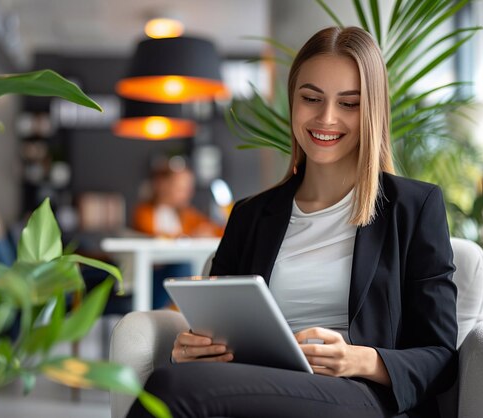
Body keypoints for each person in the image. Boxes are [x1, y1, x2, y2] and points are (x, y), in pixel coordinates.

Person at [127, 26, 457, 418]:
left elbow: (441, 355)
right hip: (258, 383)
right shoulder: (251, 215)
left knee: (170, 389)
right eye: (311, 98)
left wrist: (358, 360)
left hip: (358, 395)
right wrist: (193, 348)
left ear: (372, 110)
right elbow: (215, 321)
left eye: (349, 103)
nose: (326, 118)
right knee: (178, 379)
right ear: (292, 101)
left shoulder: (414, 207)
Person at [133, 158, 224, 308]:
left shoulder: (187, 215)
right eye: (180, 188)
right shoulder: (145, 212)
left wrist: (205, 231)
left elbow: (216, 229)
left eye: (188, 188)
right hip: (152, 275)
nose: (187, 193)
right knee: (183, 267)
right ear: (163, 185)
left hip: (176, 273)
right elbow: (156, 236)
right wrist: (190, 236)